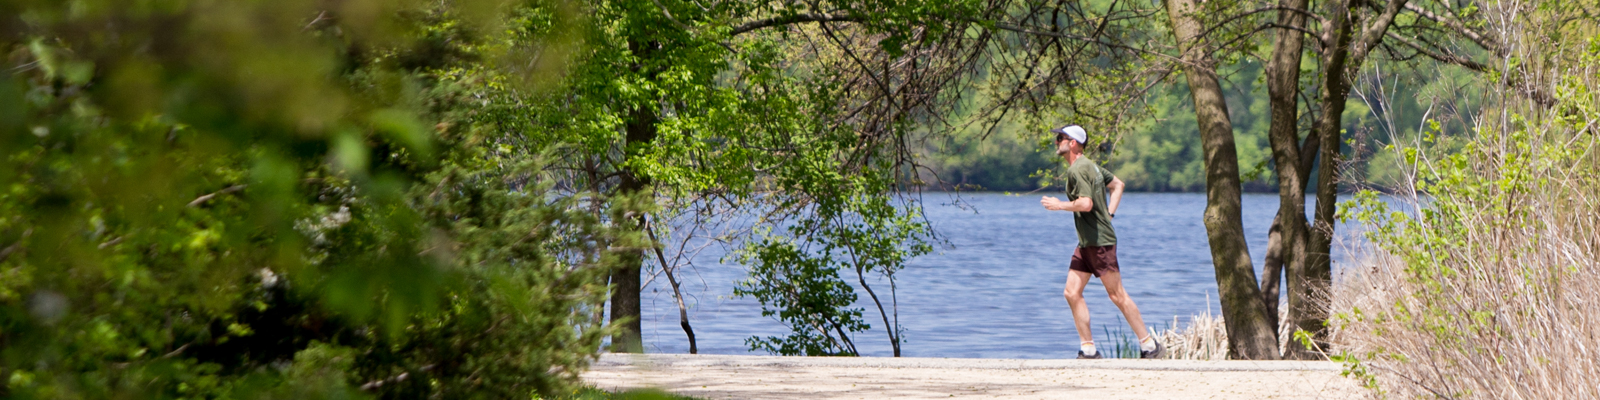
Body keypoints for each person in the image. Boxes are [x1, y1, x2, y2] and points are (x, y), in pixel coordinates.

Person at [1039, 124, 1164, 359]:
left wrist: (1059, 205)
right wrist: (1109, 214)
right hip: (1087, 242)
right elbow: (1118, 185)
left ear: (1072, 143)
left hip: (1100, 242)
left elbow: (1085, 204)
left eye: (1060, 138)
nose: (1057, 142)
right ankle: (1088, 349)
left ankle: (1149, 345)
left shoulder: (1078, 170)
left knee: (1117, 295)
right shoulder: (1092, 167)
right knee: (1071, 292)